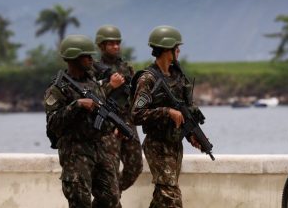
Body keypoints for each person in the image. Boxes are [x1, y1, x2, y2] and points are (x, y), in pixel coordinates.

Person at [44, 34, 121, 208]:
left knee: (111, 198)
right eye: (87, 56)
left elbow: (103, 111)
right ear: (73, 57)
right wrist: (77, 105)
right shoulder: (57, 89)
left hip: (99, 148)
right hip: (75, 153)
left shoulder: (93, 82)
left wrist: (116, 127)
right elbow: (53, 124)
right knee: (80, 202)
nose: (90, 59)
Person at [132, 25, 204, 208]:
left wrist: (191, 135)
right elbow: (136, 114)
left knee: (162, 199)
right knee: (172, 198)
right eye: (176, 47)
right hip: (157, 145)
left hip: (174, 145)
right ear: (166, 49)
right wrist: (166, 112)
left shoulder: (177, 76)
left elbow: (183, 112)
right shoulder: (147, 79)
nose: (179, 50)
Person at [94, 25, 143, 193]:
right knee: (110, 171)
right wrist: (110, 85)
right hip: (107, 127)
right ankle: (110, 198)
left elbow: (135, 96)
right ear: (102, 46)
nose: (115, 46)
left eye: (117, 43)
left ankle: (111, 195)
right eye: (111, 43)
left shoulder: (126, 68)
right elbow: (91, 97)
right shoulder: (94, 70)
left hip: (127, 123)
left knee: (135, 166)